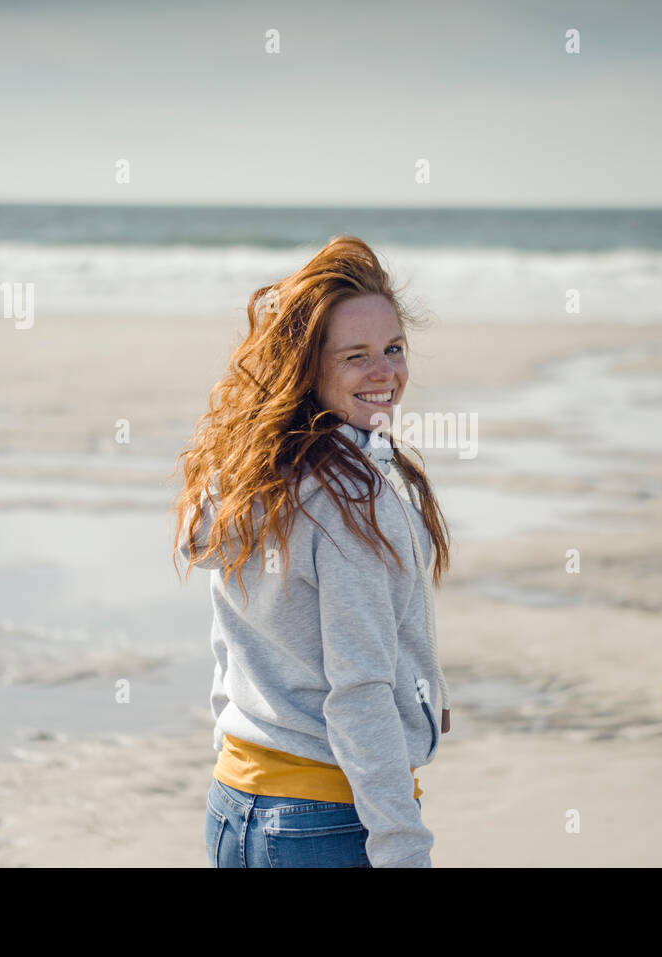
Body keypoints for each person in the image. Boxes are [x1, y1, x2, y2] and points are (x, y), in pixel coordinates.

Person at [173, 235, 451, 868]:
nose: (385, 373)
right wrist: (404, 851)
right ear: (309, 367)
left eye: (394, 348)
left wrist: (240, 750)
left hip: (235, 805)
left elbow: (234, 641)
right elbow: (359, 692)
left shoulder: (253, 476)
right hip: (321, 823)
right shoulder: (355, 503)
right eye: (356, 356)